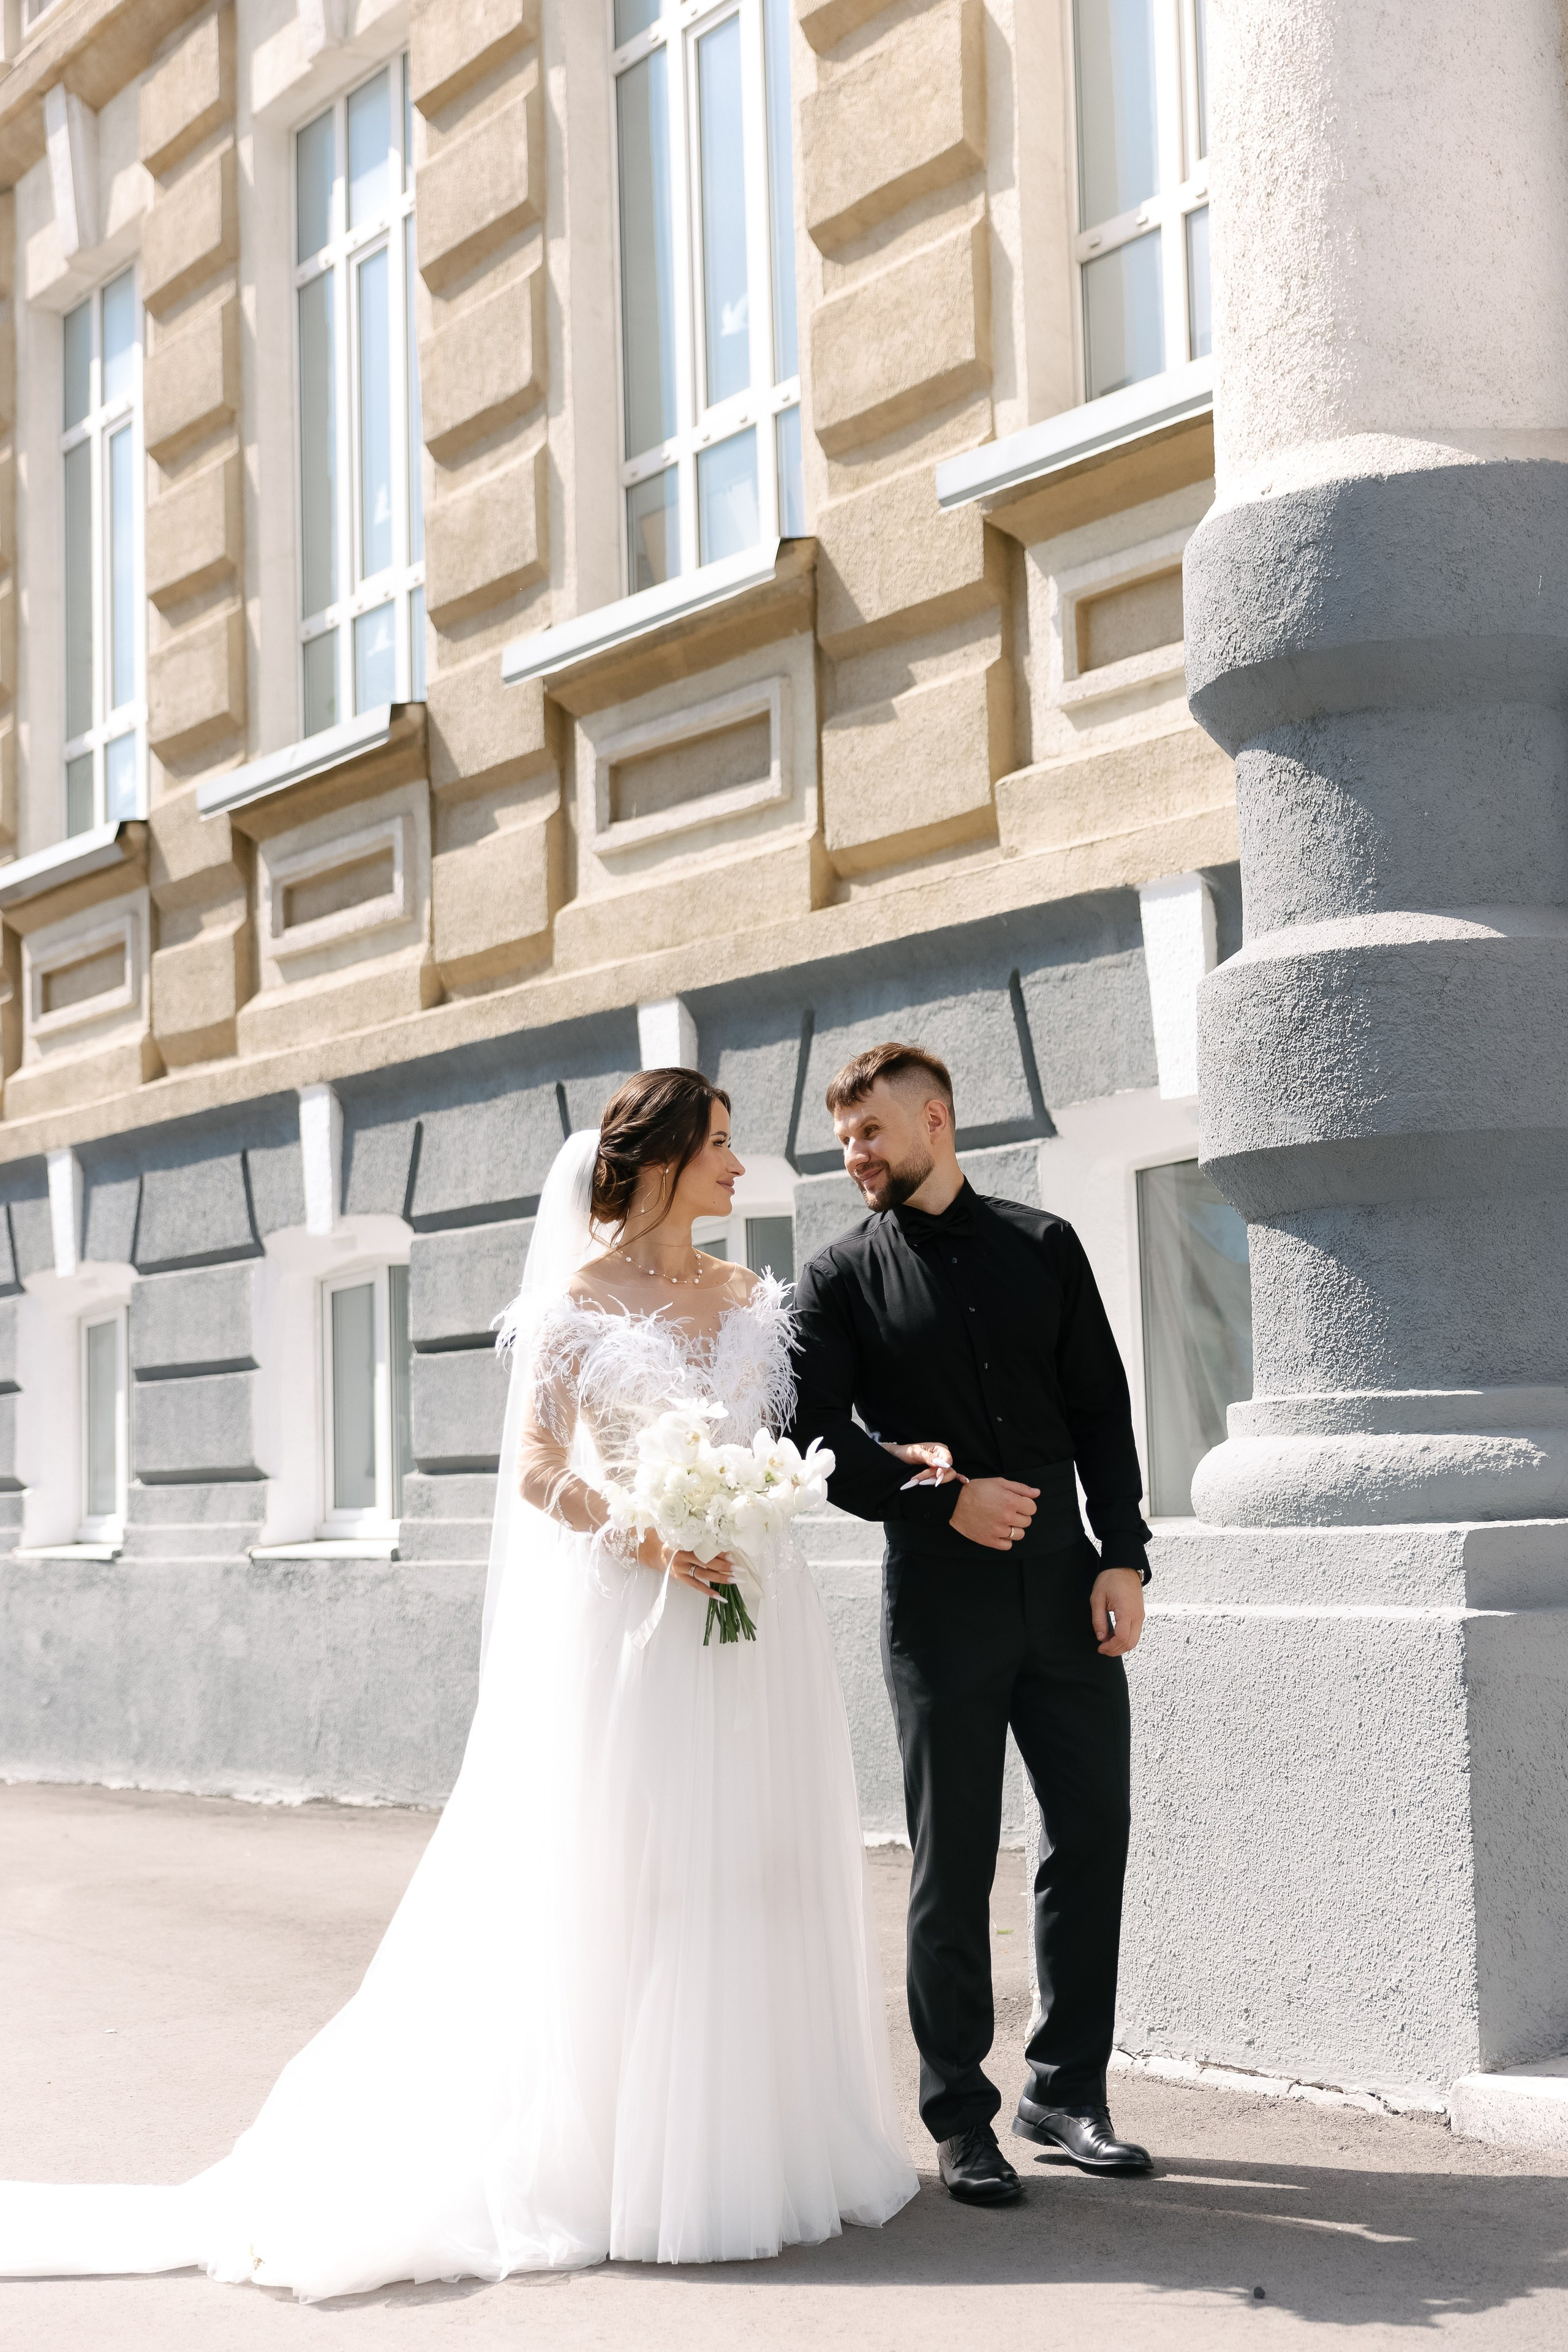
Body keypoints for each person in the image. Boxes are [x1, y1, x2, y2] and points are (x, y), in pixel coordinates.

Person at [0, 1071, 916, 2301]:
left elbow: (795, 1440)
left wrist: (865, 1470)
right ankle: (631, 2162)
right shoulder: (573, 1309)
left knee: (751, 1869)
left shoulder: (752, 1296)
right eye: (719, 1147)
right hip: (640, 1618)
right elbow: (538, 1470)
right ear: (657, 1162)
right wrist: (651, 1533)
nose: (737, 1170)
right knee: (640, 1874)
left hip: (755, 1621)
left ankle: (753, 2147)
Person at [789, 1042, 1154, 2207]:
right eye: (846, 1139)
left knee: (1091, 1832)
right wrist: (945, 1496)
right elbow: (816, 1442)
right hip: (940, 1597)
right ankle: (961, 2118)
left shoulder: (1044, 1244)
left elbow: (1101, 1402)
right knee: (952, 1860)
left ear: (935, 1121)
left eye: (872, 1134)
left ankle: (1068, 2090)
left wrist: (1124, 1553)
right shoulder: (838, 1278)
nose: (856, 1156)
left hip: (1064, 1580)